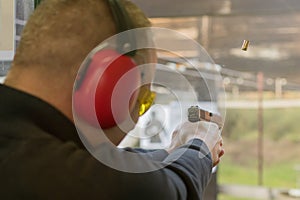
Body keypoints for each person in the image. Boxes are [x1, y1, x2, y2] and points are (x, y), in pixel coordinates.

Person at [0, 0, 224, 199]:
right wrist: (199, 146)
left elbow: (113, 164)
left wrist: (173, 150)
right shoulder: (53, 171)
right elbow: (167, 192)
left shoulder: (24, 143)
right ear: (108, 80)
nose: (138, 115)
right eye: (144, 99)